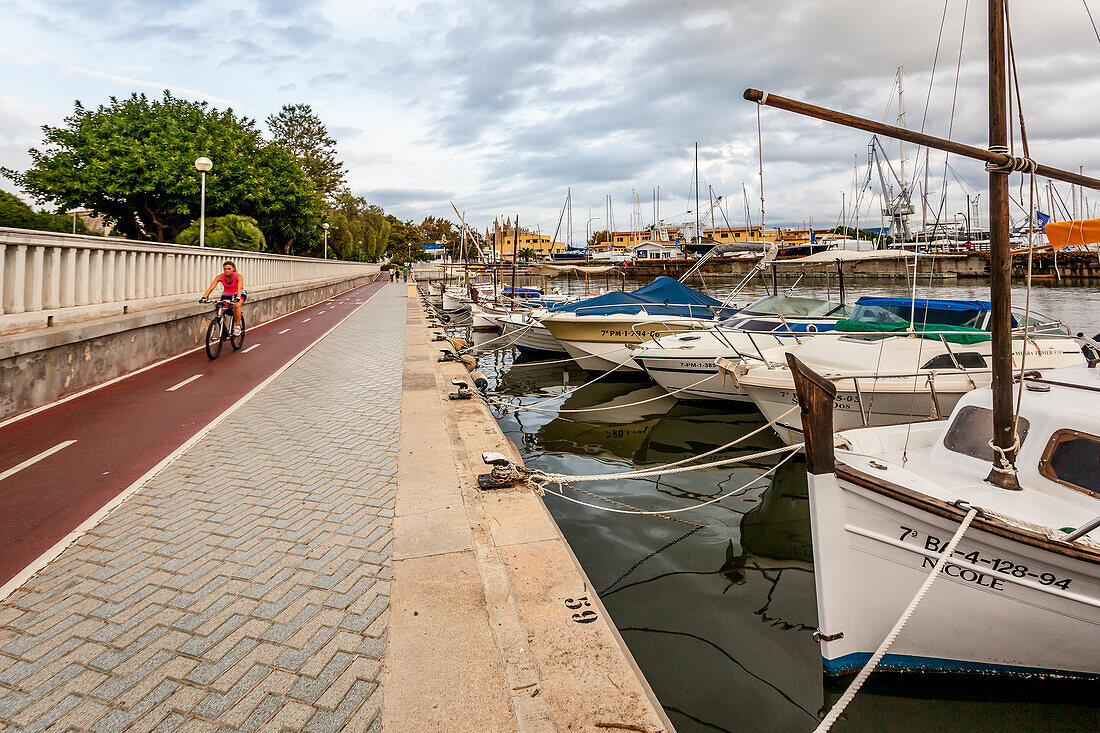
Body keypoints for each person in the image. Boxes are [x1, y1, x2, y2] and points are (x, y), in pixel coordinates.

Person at [201, 261, 246, 335]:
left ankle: (237, 326)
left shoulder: (238, 276)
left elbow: (239, 287)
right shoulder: (220, 277)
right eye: (225, 269)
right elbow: (211, 287)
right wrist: (204, 297)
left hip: (238, 294)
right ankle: (223, 328)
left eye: (229, 269)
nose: (226, 271)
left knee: (236, 305)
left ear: (233, 269)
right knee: (220, 309)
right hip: (226, 295)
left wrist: (238, 297)